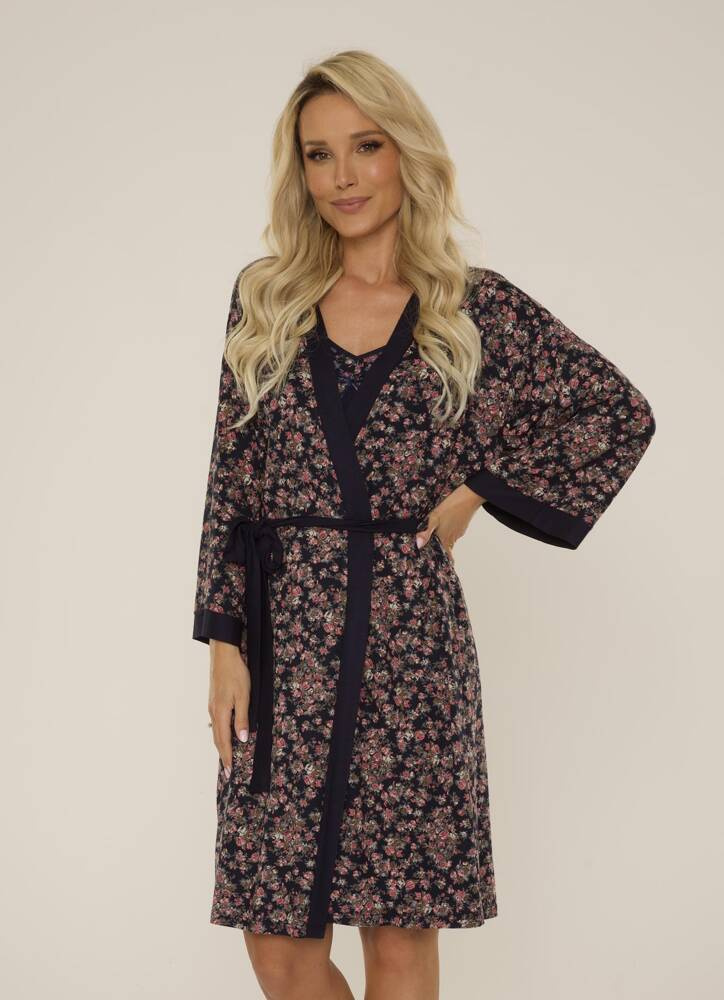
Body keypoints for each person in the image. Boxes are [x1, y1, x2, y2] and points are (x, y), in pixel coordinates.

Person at [192, 49, 656, 1000]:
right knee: (278, 944)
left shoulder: (474, 309)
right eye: (319, 154)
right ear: (299, 172)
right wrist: (224, 644)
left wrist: (481, 486)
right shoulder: (266, 300)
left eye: (366, 146)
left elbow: (617, 412)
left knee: (399, 939)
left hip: (410, 649)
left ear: (407, 153)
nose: (344, 176)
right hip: (284, 650)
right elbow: (229, 483)